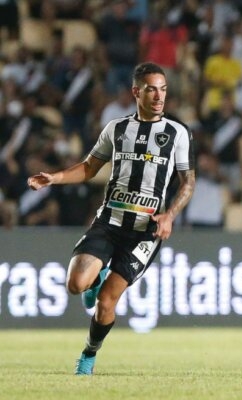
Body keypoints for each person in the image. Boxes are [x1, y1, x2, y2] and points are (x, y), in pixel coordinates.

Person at [26, 62, 195, 375]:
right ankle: (96, 275)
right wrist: (56, 177)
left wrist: (170, 215)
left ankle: (89, 354)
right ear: (136, 92)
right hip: (110, 222)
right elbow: (90, 167)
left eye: (163, 89)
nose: (159, 96)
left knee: (106, 302)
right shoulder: (116, 129)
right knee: (76, 285)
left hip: (146, 233)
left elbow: (188, 183)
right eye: (151, 89)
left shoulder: (177, 133)